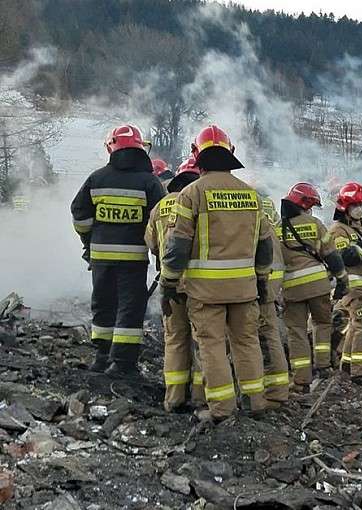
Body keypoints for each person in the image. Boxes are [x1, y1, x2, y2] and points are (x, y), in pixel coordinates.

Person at [161, 125, 273, 421]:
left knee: (212, 347)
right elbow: (265, 246)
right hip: (245, 289)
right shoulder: (252, 196)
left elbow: (177, 246)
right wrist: (262, 279)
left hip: (205, 292)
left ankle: (223, 409)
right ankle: (255, 402)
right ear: (230, 153)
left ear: (197, 156)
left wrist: (168, 282)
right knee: (246, 342)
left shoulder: (191, 194)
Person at [71, 124, 165, 377]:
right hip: (133, 259)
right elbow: (163, 220)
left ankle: (102, 357)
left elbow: (79, 214)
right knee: (130, 307)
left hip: (101, 257)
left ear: (112, 147)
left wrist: (89, 240)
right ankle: (122, 364)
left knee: (103, 303)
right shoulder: (149, 182)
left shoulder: (97, 178)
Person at [145, 157, 204, 410]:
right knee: (204, 340)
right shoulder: (202, 201)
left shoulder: (160, 207)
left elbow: (151, 243)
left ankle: (174, 397)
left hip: (171, 285)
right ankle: (201, 397)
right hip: (201, 285)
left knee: (176, 339)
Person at [279, 182, 348, 390]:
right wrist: (342, 278)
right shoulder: (315, 224)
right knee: (322, 324)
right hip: (318, 286)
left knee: (297, 331)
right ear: (304, 204)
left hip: (292, 288)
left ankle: (301, 379)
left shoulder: (277, 229)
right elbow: (332, 255)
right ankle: (323, 366)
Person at [328, 182, 362, 379]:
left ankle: (348, 367)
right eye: (354, 205)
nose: (358, 209)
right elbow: (343, 257)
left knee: (357, 324)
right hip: (352, 288)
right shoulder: (338, 231)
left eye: (361, 205)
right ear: (344, 207)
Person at [257, 195, 290, 404]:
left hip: (254, 290)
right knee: (268, 337)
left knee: (262, 339)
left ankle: (271, 395)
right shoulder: (272, 227)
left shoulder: (255, 226)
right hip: (269, 288)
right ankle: (275, 392)